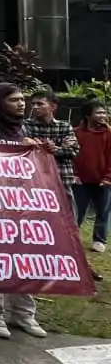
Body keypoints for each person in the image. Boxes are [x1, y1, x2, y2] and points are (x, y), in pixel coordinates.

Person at [0, 82, 47, 339]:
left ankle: (24, 314)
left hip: (22, 205)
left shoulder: (23, 128)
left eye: (22, 99)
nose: (21, 103)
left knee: (24, 260)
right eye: (14, 100)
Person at [26, 90, 79, 210]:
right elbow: (26, 150)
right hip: (36, 180)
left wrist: (54, 150)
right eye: (33, 104)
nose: (35, 107)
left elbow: (73, 151)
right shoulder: (26, 125)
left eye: (40, 104)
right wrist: (58, 147)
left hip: (62, 179)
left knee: (68, 216)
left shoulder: (64, 126)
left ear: (53, 107)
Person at [74, 99, 111, 256]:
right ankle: (72, 237)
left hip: (104, 180)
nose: (103, 115)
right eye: (99, 112)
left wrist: (108, 177)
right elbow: (72, 156)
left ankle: (99, 240)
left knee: (103, 211)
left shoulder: (109, 133)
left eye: (104, 112)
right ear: (88, 115)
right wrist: (74, 174)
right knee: (77, 211)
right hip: (81, 180)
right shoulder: (77, 132)